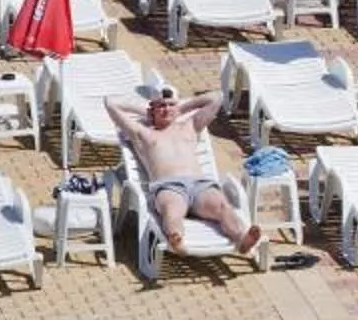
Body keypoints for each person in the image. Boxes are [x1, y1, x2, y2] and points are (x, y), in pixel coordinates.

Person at [103, 89, 262, 260]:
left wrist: (182, 107)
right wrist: (144, 110)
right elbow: (110, 102)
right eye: (161, 107)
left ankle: (242, 239)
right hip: (169, 186)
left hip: (200, 185)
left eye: (170, 105)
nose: (166, 109)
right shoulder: (143, 134)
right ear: (153, 111)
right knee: (172, 212)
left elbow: (217, 98)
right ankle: (176, 240)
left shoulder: (190, 125)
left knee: (223, 206)